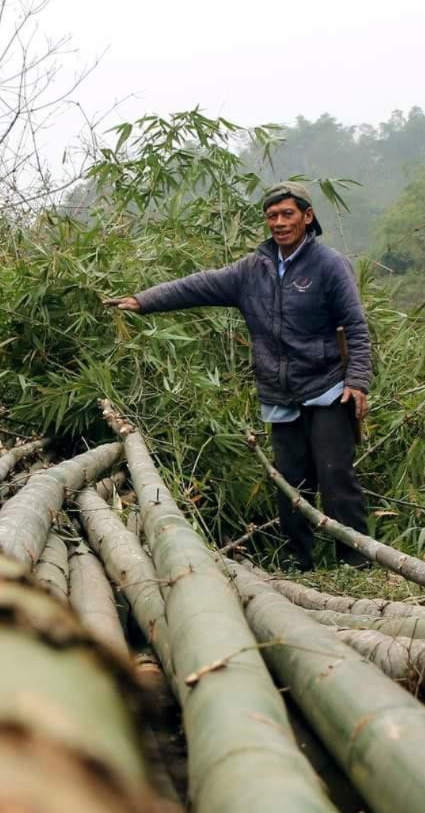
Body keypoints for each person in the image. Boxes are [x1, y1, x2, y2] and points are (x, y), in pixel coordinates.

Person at [106, 181, 372, 570]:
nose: (279, 223)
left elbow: (356, 326)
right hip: (280, 393)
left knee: (336, 478)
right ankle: (300, 563)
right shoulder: (254, 270)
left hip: (328, 387)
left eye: (287, 214)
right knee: (290, 484)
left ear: (307, 217)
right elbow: (198, 286)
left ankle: (355, 561)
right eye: (272, 216)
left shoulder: (328, 265)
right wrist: (144, 301)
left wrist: (358, 381)